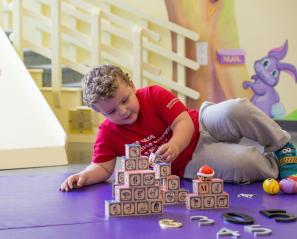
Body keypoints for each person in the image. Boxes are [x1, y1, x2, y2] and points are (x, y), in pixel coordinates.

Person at [60, 64, 297, 191]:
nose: (122, 111)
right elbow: (102, 167)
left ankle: (283, 146)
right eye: (111, 111)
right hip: (190, 160)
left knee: (236, 108)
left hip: (202, 124)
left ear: (132, 86)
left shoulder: (152, 94)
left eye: (125, 100)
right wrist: (82, 177)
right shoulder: (107, 134)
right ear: (99, 113)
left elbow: (182, 122)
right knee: (247, 163)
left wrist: (174, 143)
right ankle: (273, 167)